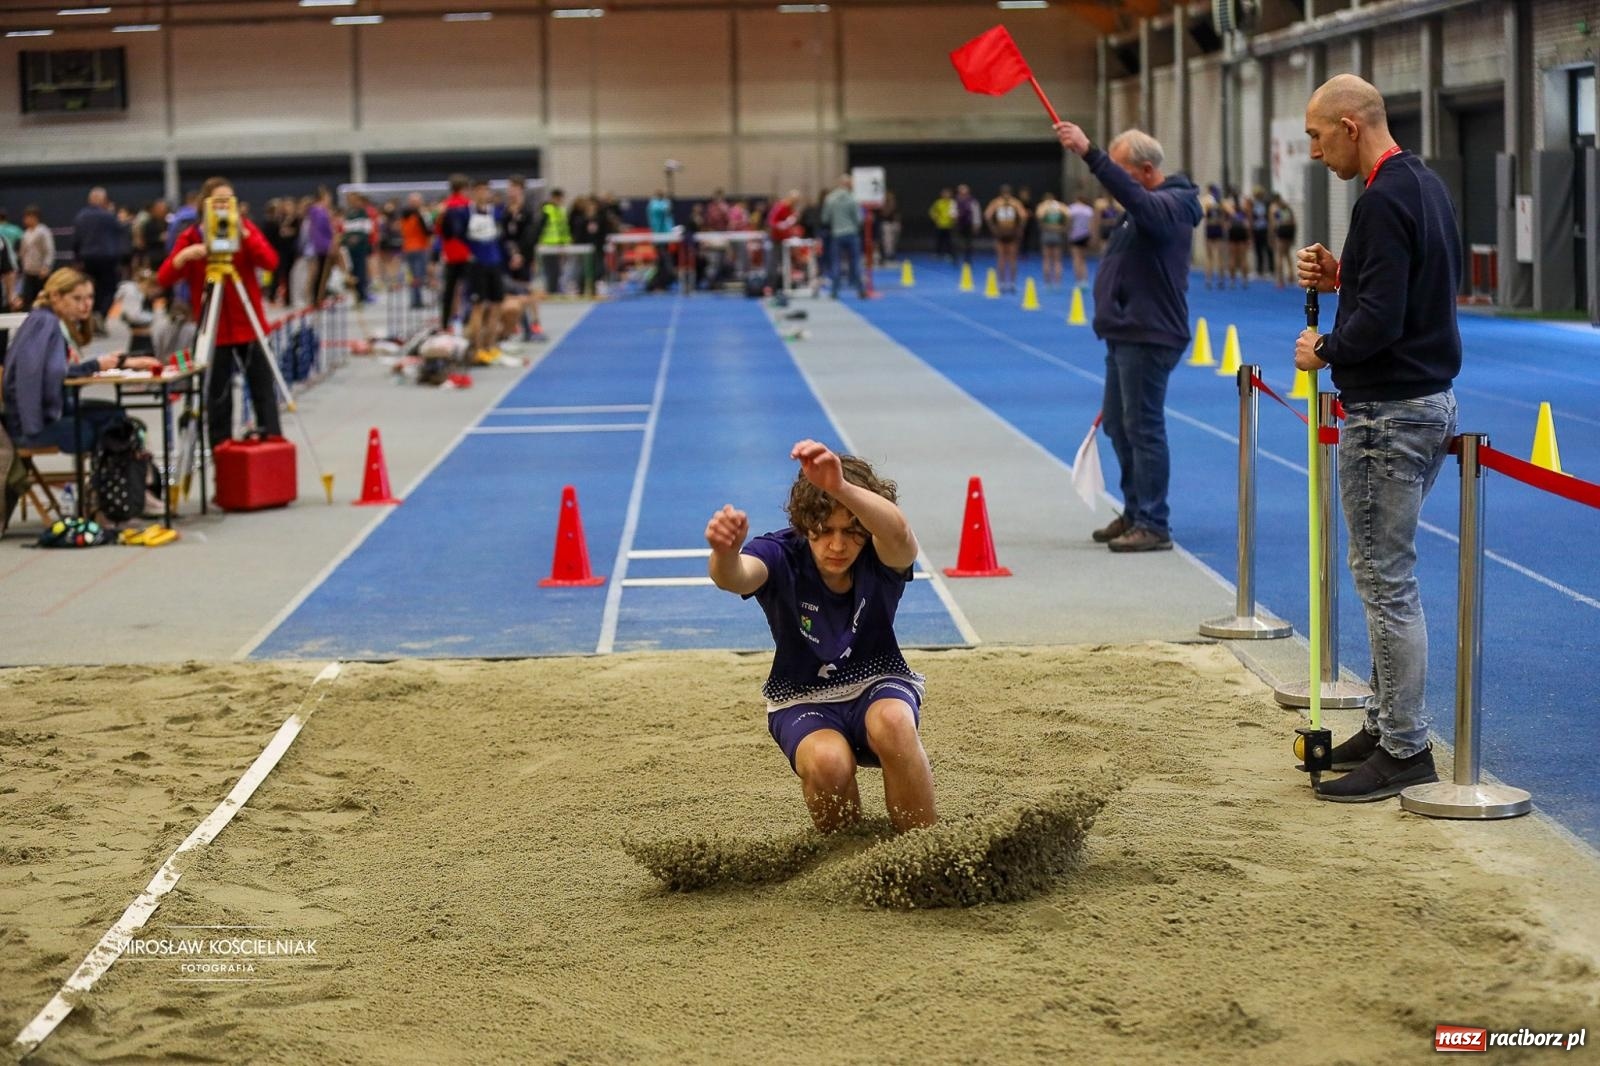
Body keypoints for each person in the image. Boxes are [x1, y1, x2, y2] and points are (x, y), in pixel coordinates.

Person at [1294, 73, 1460, 802]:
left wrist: (1323, 350)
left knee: (1385, 581)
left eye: (1317, 135)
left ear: (1352, 126)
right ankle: (1389, 722)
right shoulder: (1422, 185)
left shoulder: (1383, 199)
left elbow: (1383, 323)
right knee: (1384, 578)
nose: (1314, 149)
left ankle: (1405, 749)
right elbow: (1407, 290)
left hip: (1389, 412)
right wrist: (1344, 276)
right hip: (1426, 400)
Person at [704, 440, 936, 834]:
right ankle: (845, 859)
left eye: (852, 531)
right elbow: (735, 577)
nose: (838, 545)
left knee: (894, 723)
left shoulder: (881, 556)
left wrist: (841, 487)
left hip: (877, 682)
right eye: (824, 530)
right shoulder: (780, 554)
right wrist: (725, 553)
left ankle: (927, 851)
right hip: (801, 697)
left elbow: (900, 532)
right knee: (829, 761)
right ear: (804, 524)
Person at [1053, 121, 1201, 553]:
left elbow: (1136, 198)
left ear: (1146, 170)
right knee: (1120, 425)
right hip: (1126, 333)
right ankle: (1136, 510)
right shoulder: (1141, 212)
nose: (1111, 183)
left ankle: (1155, 521)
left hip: (1149, 334)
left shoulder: (1169, 206)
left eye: (1119, 172)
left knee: (1143, 426)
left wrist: (1090, 152)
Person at [157, 177, 282, 452]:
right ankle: (222, 453)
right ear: (205, 204)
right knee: (217, 398)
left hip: (249, 326)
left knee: (263, 392)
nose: (224, 205)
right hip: (213, 331)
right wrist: (185, 256)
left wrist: (245, 235)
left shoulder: (245, 230)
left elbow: (270, 262)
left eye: (230, 199)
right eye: (218, 200)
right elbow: (164, 277)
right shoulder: (190, 237)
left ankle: (272, 447)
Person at [1, 267, 160, 459]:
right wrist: (94, 366)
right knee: (99, 432)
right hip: (30, 426)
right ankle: (114, 484)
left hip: (46, 415)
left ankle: (115, 484)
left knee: (114, 415)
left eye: (89, 298)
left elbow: (60, 371)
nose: (85, 304)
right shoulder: (45, 322)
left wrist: (118, 362)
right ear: (56, 297)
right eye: (77, 298)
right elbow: (51, 374)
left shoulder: (51, 322)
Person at [72, 187, 123, 330]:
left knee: (88, 289)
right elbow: (119, 237)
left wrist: (77, 260)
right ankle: (100, 314)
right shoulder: (110, 217)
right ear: (104, 200)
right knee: (109, 289)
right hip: (108, 258)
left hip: (87, 258)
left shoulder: (81, 216)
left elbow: (76, 240)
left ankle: (89, 316)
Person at [820, 174, 865, 299]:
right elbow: (859, 218)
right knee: (855, 262)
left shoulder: (830, 198)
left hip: (837, 234)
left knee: (836, 263)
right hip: (852, 233)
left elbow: (825, 218)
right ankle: (860, 290)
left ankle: (834, 292)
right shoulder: (853, 198)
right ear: (848, 184)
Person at [984, 184, 1027, 294]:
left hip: (1001, 231)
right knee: (1011, 259)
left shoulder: (996, 202)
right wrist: (1019, 228)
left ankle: (1002, 283)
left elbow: (987, 215)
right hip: (1010, 231)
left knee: (1002, 259)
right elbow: (1024, 216)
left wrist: (993, 227)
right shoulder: (1015, 202)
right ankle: (1011, 283)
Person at [18, 207, 54, 310]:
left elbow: (49, 250)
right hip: (29, 271)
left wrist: (46, 266)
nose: (25, 220)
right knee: (27, 299)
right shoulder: (26, 234)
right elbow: (22, 252)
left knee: (42, 299)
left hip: (40, 273)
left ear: (34, 217)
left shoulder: (43, 231)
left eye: (27, 217)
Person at [1034, 191, 1068, 288]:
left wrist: (1043, 225)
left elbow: (1039, 216)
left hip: (1047, 233)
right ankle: (1057, 283)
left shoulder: (1043, 206)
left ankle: (1047, 282)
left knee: (1047, 260)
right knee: (1057, 260)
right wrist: (1064, 226)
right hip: (1057, 233)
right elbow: (1068, 214)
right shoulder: (1060, 206)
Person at [1066, 192, 1095, 286]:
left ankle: (1078, 280)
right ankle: (1085, 281)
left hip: (1075, 235)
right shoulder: (1089, 210)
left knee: (1076, 259)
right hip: (1085, 235)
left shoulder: (1072, 209)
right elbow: (1091, 225)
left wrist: (1068, 232)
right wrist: (1091, 236)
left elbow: (1069, 222)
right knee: (1083, 259)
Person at [1270, 194, 1297, 289]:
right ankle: (1291, 276)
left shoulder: (1274, 208)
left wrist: (1272, 236)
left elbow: (1273, 223)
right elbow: (1294, 222)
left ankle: (1280, 280)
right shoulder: (1287, 207)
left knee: (1279, 255)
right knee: (1288, 254)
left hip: (1281, 230)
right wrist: (1294, 235)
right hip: (1289, 229)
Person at [928, 188, 956, 262]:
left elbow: (955, 213)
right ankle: (937, 253)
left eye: (948, 194)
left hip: (949, 225)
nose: (946, 195)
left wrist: (954, 219)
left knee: (948, 240)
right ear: (942, 195)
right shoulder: (938, 203)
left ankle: (948, 254)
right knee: (938, 240)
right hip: (939, 225)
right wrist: (935, 217)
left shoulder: (952, 203)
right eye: (945, 194)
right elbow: (932, 211)